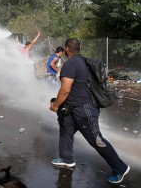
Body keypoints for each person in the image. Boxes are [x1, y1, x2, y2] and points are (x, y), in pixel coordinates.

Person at [49, 38, 130, 184]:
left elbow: (65, 89)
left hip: (84, 110)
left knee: (96, 140)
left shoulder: (70, 64)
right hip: (72, 108)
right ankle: (66, 159)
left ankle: (120, 168)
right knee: (66, 129)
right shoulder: (83, 61)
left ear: (67, 48)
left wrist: (55, 105)